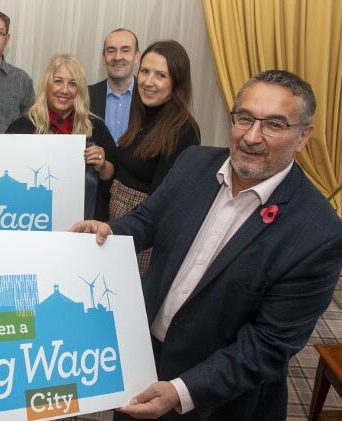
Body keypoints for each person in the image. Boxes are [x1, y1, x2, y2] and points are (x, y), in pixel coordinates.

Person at [71, 70, 342, 421]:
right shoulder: (194, 162)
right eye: (244, 118)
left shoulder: (319, 233)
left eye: (274, 125)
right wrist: (108, 230)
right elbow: (148, 220)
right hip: (142, 359)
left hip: (217, 399)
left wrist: (183, 391)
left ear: (304, 136)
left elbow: (267, 346)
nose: (252, 137)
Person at [111, 40, 200, 275]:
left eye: (161, 75)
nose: (148, 82)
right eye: (145, 72)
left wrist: (127, 229)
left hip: (143, 239)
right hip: (120, 229)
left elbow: (165, 202)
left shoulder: (183, 131)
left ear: (176, 83)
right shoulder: (141, 115)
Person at [6, 54, 116, 221]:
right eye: (58, 81)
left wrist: (102, 166)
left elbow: (112, 182)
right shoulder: (21, 128)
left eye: (73, 83)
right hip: (31, 223)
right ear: (47, 85)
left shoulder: (96, 129)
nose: (64, 90)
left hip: (84, 229)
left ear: (79, 90)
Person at [88, 28, 141, 143]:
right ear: (103, 58)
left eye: (125, 50)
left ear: (137, 57)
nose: (117, 57)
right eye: (111, 51)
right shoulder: (86, 96)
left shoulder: (148, 97)